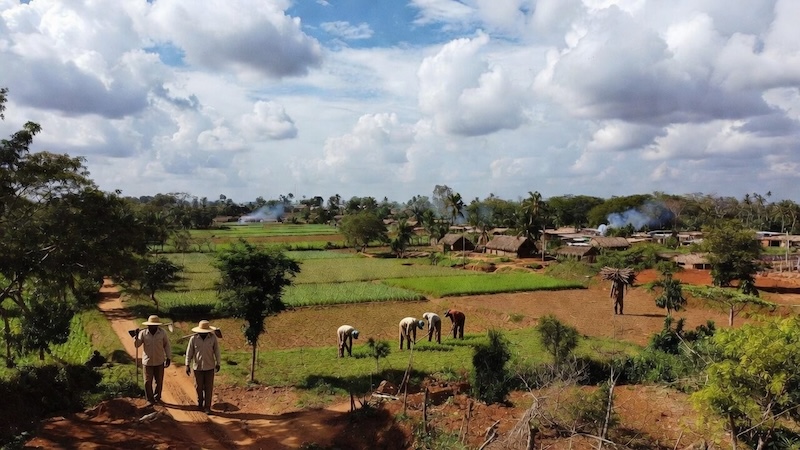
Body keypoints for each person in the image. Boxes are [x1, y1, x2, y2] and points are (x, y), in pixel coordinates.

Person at [133, 315, 172, 405]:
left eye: (154, 325)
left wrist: (168, 357)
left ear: (157, 325)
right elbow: (137, 345)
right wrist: (136, 336)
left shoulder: (162, 333)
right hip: (147, 362)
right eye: (151, 325)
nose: (152, 326)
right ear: (148, 325)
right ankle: (150, 399)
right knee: (147, 381)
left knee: (159, 381)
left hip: (159, 361)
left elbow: (166, 345)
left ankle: (157, 398)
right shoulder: (143, 333)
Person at [185, 320, 221, 414]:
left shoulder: (212, 338)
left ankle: (207, 407)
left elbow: (217, 351)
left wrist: (218, 363)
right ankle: (200, 403)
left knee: (209, 388)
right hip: (198, 367)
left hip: (209, 366)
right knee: (198, 387)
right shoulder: (193, 338)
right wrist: (187, 364)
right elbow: (189, 352)